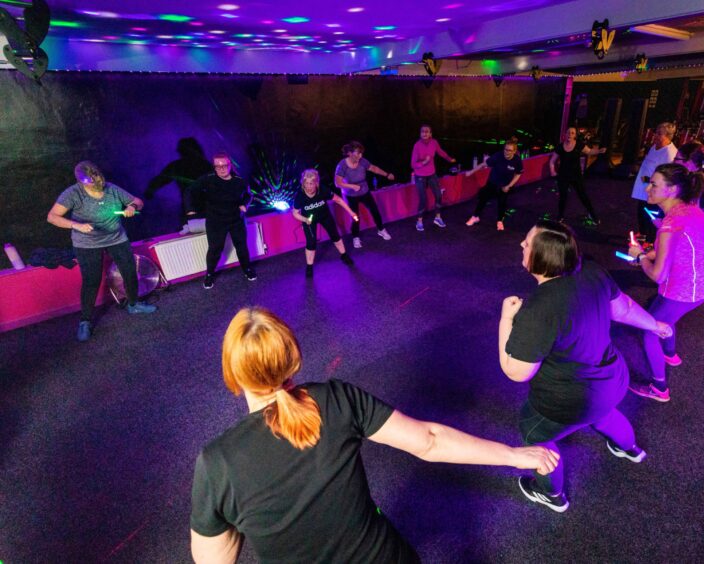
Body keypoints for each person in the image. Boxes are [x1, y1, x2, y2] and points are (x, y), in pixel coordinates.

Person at [190, 307, 559, 562]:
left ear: (235, 375)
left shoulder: (217, 463)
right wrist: (514, 454)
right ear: (292, 359)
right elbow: (429, 440)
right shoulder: (335, 398)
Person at [499, 220, 672, 512]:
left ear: (541, 259)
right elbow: (624, 309)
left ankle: (552, 495)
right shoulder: (591, 271)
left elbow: (516, 371)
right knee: (603, 412)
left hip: (573, 400)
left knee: (534, 435)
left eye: (527, 243)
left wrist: (506, 319)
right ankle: (630, 449)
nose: (521, 245)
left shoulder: (539, 309)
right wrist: (655, 325)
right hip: (613, 380)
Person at [627, 164, 704, 402]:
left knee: (649, 329)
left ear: (672, 189)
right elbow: (676, 247)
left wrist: (640, 257)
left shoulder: (671, 223)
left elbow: (658, 275)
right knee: (665, 317)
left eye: (654, 184)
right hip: (701, 285)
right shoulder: (688, 209)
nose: (647, 188)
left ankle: (659, 388)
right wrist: (649, 253)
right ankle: (670, 355)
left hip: (683, 290)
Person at [47, 161, 157, 342]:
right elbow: (52, 217)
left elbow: (138, 201)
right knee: (91, 280)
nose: (95, 183)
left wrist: (131, 207)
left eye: (96, 178)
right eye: (90, 181)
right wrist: (77, 225)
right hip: (86, 243)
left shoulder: (111, 189)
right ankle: (85, 321)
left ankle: (134, 304)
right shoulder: (73, 193)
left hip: (116, 238)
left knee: (129, 271)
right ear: (81, 181)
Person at [187, 152, 255, 290]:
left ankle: (247, 270)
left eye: (224, 165)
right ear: (214, 167)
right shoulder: (208, 180)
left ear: (230, 165)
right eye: (218, 166)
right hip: (215, 221)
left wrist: (244, 205)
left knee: (241, 246)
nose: (222, 169)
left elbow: (249, 195)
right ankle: (209, 275)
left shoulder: (239, 181)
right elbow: (190, 190)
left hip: (236, 219)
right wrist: (190, 208)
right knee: (215, 249)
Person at [292, 169, 359, 278]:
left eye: (311, 184)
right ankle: (309, 266)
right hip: (308, 219)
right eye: (306, 184)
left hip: (325, 215)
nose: (309, 187)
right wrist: (305, 220)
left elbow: (339, 200)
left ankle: (344, 255)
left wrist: (351, 212)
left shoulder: (322, 189)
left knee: (335, 236)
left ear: (316, 183)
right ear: (303, 183)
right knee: (311, 242)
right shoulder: (300, 195)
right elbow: (295, 213)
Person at [334, 141, 395, 249]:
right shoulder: (342, 165)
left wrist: (387, 174)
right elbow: (337, 183)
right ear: (349, 153)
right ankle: (355, 237)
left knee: (375, 211)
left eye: (361, 153)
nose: (360, 156)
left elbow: (374, 168)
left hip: (364, 192)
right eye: (357, 153)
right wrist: (352, 186)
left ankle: (381, 230)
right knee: (355, 217)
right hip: (350, 195)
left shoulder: (362, 161)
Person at [548, 127, 606, 226]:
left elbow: (589, 151)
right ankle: (560, 216)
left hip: (576, 175)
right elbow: (552, 161)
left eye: (572, 133)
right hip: (563, 175)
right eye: (568, 133)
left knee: (583, 196)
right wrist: (552, 171)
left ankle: (593, 215)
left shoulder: (579, 145)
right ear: (565, 135)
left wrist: (599, 151)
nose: (570, 134)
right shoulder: (560, 147)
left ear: (575, 135)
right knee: (563, 196)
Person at [144, 137, 213, 218]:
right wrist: (150, 189)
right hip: (199, 208)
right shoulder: (206, 165)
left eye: (182, 150)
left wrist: (150, 189)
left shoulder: (178, 166)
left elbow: (160, 179)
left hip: (200, 207)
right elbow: (161, 179)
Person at [631, 122, 677, 242]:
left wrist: (649, 180)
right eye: (655, 132)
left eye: (659, 133)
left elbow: (667, 176)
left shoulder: (669, 153)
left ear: (668, 136)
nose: (655, 135)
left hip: (655, 191)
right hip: (645, 188)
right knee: (641, 212)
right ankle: (643, 235)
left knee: (651, 216)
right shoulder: (654, 147)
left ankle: (650, 242)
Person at [465, 138, 524, 231]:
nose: (506, 152)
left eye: (509, 150)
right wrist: (471, 172)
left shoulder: (517, 160)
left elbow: (518, 174)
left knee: (502, 203)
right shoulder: (498, 156)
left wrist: (509, 186)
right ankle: (475, 217)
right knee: (482, 199)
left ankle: (500, 221)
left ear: (514, 151)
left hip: (504, 186)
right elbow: (483, 164)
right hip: (492, 183)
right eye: (505, 149)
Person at [410, 125, 455, 231]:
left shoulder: (434, 142)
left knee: (439, 195)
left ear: (431, 134)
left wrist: (449, 158)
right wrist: (424, 162)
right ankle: (419, 221)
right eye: (422, 131)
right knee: (423, 199)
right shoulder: (417, 145)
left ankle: (437, 218)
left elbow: (440, 152)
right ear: (420, 134)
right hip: (420, 175)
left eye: (427, 131)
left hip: (431, 174)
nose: (425, 133)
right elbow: (413, 164)